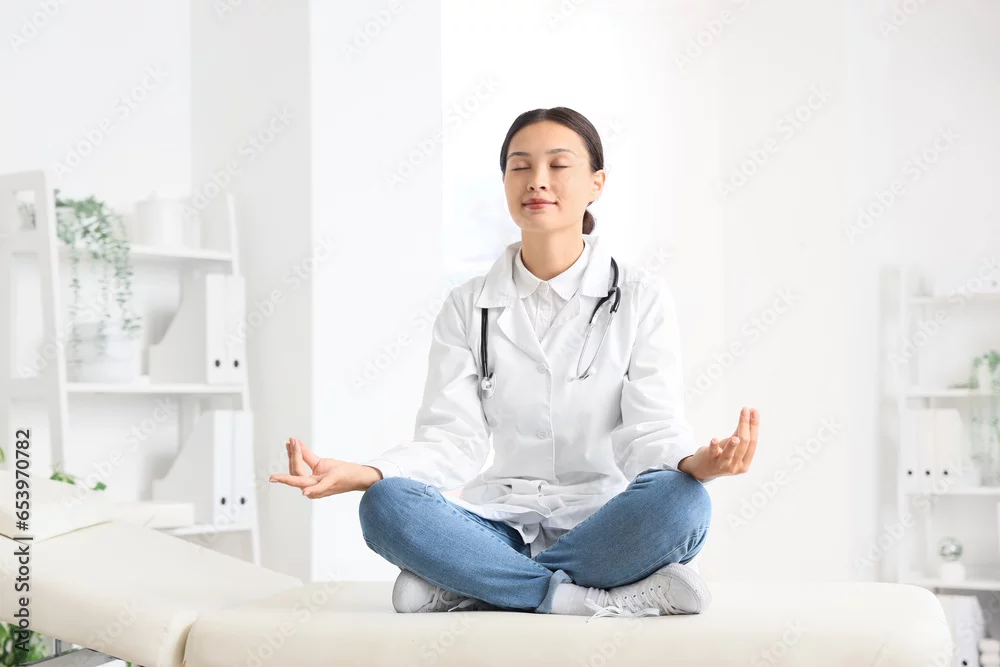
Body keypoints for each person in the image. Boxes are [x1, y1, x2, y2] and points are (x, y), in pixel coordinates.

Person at [270, 106, 760, 618]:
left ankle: (475, 585)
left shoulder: (640, 296)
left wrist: (695, 465)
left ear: (596, 183)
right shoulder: (468, 305)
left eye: (558, 165)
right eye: (520, 166)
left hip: (605, 521)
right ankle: (576, 597)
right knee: (386, 504)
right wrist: (369, 471)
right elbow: (452, 441)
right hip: (500, 522)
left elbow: (650, 430)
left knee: (683, 502)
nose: (537, 181)